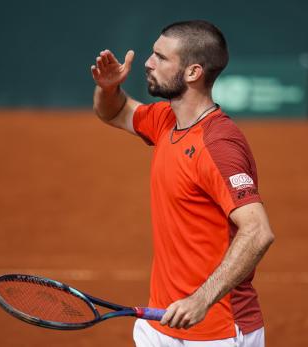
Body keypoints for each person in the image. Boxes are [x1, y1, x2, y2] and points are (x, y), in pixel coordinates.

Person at [90, 20, 275, 347]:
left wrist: (201, 300)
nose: (147, 62)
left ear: (192, 73)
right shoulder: (166, 122)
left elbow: (258, 231)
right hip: (160, 321)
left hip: (215, 331)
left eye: (161, 57)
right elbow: (114, 112)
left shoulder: (218, 145)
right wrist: (108, 87)